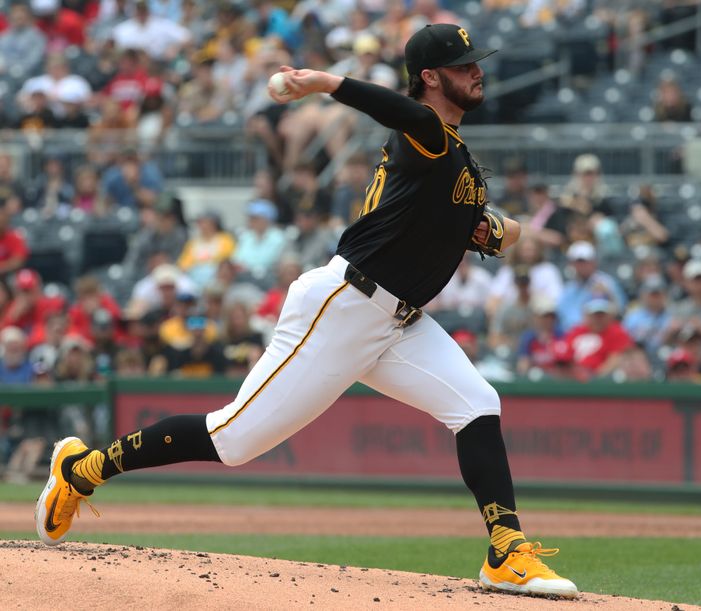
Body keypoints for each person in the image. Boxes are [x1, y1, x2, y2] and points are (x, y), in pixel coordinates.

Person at [35, 23, 578, 600]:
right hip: (344, 306)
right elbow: (404, 115)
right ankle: (82, 470)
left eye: (476, 62)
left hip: (398, 321)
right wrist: (327, 82)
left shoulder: (451, 158)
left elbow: (487, 228)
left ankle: (506, 552)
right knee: (234, 439)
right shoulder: (427, 135)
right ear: (429, 77)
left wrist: (503, 228)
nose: (477, 71)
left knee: (477, 404)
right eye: (464, 65)